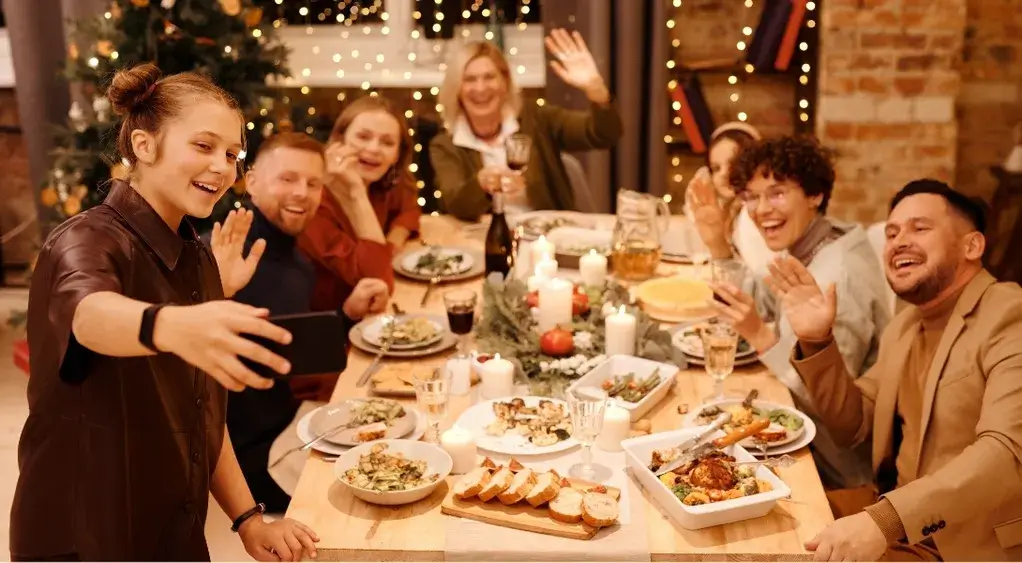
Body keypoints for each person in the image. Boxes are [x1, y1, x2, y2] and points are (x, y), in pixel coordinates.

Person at [12, 64, 319, 561]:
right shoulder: (86, 240)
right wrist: (170, 322)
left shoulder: (195, 256)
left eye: (232, 154)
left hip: (172, 526)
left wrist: (247, 519)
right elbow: (89, 317)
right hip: (87, 533)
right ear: (143, 146)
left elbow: (201, 415)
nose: (222, 167)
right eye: (204, 146)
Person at [774, 179, 1022, 561]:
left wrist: (885, 520)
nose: (899, 241)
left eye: (919, 228)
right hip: (899, 530)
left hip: (966, 547)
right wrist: (818, 341)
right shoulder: (905, 325)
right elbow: (851, 425)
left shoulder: (1009, 313)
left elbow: (1008, 452)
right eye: (892, 232)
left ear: (972, 245)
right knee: (764, 525)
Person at [211, 131, 389, 514]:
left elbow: (286, 343)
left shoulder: (297, 259)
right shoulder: (226, 253)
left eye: (313, 183)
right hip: (246, 459)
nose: (302, 193)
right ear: (252, 181)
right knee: (379, 484)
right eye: (287, 179)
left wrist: (346, 315)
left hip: (290, 421)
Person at [708, 135, 889, 490]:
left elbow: (831, 409)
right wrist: (717, 241)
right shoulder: (815, 241)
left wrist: (760, 335)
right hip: (802, 431)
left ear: (814, 194)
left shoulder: (838, 276)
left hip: (837, 468)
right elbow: (762, 301)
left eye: (776, 193)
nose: (761, 210)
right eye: (751, 198)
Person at [431, 30, 623, 221]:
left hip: (548, 238)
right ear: (457, 89)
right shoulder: (445, 144)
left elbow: (604, 135)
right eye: (470, 79)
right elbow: (455, 204)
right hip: (486, 240)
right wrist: (481, 183)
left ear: (505, 82)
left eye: (489, 77)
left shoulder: (538, 118)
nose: (480, 88)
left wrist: (597, 91)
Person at [298, 96, 420, 310]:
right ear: (339, 140)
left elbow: (409, 207)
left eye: (387, 142)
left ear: (397, 155)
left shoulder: (380, 182)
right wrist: (357, 194)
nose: (374, 148)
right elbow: (378, 283)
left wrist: (394, 240)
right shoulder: (313, 200)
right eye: (363, 137)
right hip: (332, 326)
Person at [684, 122, 773, 275]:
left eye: (733, 164)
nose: (724, 174)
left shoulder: (754, 215)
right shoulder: (726, 212)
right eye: (716, 168)